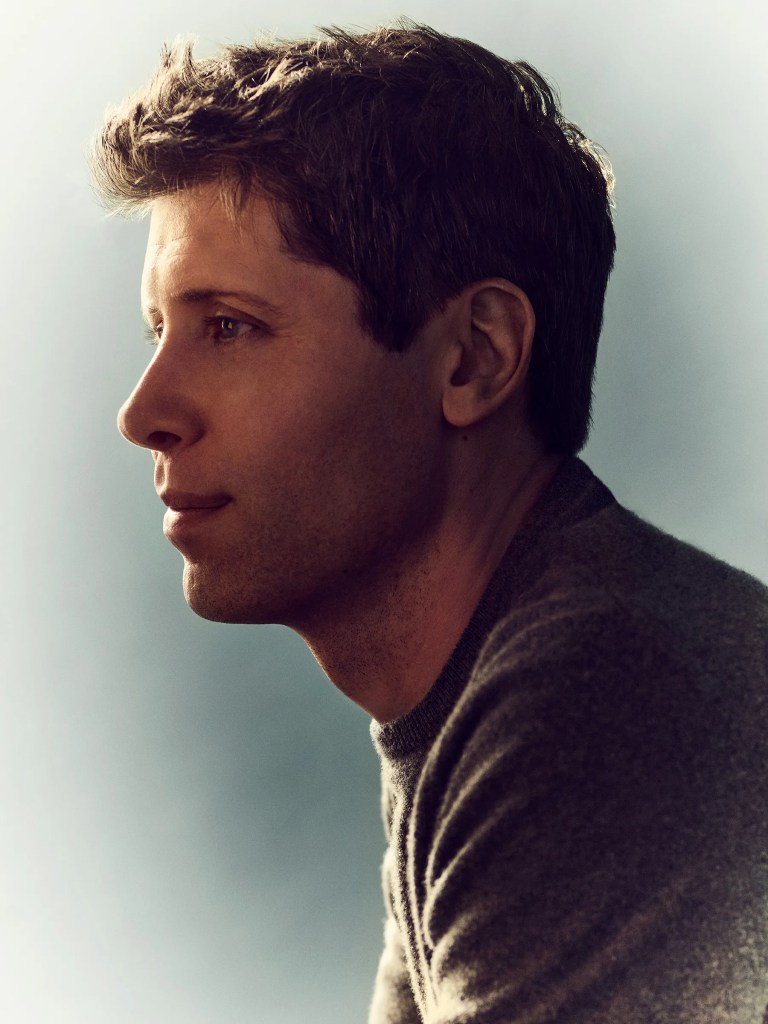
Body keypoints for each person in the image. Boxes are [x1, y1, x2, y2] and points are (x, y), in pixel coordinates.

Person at [91, 22, 768, 1023]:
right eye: (161, 331)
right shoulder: (482, 700)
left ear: (474, 358)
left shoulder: (605, 700)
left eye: (228, 326)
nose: (143, 411)